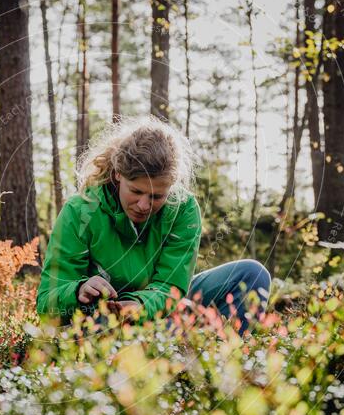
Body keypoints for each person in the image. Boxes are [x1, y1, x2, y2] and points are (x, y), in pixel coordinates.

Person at [36, 116, 271, 332]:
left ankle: (223, 367)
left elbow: (171, 285)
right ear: (118, 174)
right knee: (102, 325)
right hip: (103, 315)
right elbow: (47, 304)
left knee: (252, 274)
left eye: (157, 196)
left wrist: (142, 305)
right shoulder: (80, 212)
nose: (144, 205)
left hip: (162, 306)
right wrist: (78, 291)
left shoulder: (183, 209)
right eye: (136, 191)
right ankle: (169, 346)